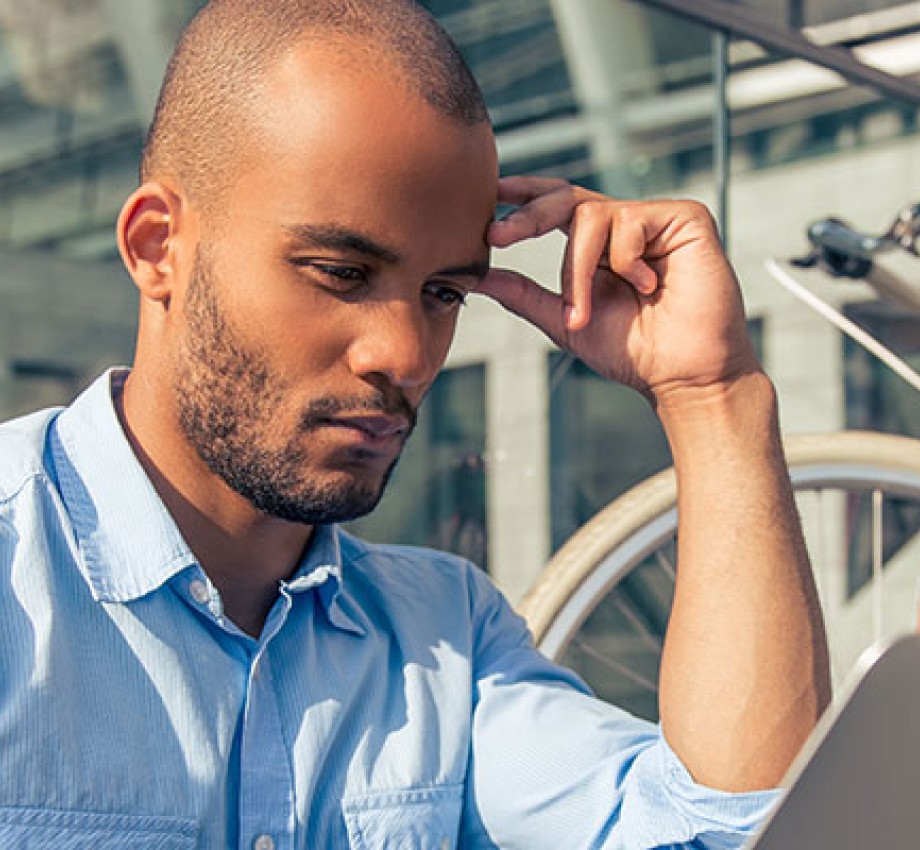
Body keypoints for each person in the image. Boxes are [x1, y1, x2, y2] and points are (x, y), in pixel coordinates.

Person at [0, 1, 830, 847]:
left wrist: (712, 396)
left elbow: (737, 834)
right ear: (157, 247)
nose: (405, 354)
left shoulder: (446, 639)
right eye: (342, 271)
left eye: (445, 295)